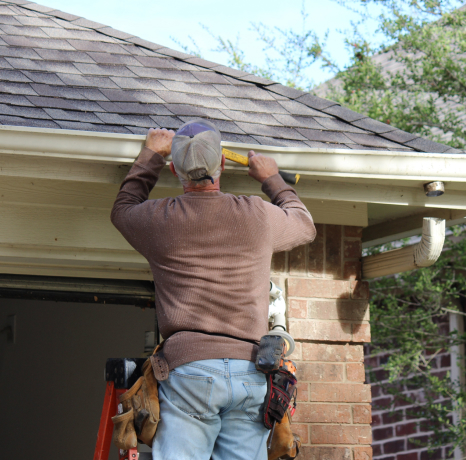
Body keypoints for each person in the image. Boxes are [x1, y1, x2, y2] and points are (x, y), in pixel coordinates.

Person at [111, 119, 316, 460]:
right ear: (222, 163)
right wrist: (271, 178)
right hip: (251, 371)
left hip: (190, 371)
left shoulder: (159, 219)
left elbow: (122, 210)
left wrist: (150, 156)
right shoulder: (256, 215)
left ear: (174, 168)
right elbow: (304, 225)